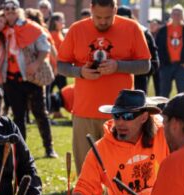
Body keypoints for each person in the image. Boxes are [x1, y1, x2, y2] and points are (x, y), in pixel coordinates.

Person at [60, 90, 169, 195]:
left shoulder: (163, 135)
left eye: (127, 116)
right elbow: (86, 187)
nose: (120, 123)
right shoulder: (101, 149)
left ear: (144, 117)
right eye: (117, 115)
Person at [58, 0, 151, 175]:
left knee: (118, 171)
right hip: (84, 112)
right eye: (98, 17)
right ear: (91, 9)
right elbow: (61, 66)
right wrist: (80, 72)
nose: (102, 21)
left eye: (108, 17)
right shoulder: (77, 29)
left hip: (122, 114)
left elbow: (145, 65)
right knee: (86, 170)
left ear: (115, 9)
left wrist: (118, 66)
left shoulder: (132, 28)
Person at [2, 0, 58, 158]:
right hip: (12, 80)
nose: (10, 11)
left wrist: (36, 63)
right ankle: (21, 151)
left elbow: (45, 48)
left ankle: (49, 148)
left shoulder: (31, 27)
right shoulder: (1, 28)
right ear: (4, 11)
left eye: (13, 8)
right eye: (7, 9)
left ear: (19, 10)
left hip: (31, 78)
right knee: (18, 116)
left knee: (40, 113)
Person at [155, 4, 184, 98]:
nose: (176, 16)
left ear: (183, 16)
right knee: (163, 94)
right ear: (171, 15)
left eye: (179, 14)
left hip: (182, 66)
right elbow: (156, 48)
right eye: (174, 14)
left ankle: (182, 112)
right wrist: (161, 64)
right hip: (166, 66)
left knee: (183, 94)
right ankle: (163, 112)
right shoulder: (163, 30)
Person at [116, 6, 159, 94]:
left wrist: (140, 69)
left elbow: (154, 62)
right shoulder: (108, 34)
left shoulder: (143, 33)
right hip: (114, 84)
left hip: (138, 86)